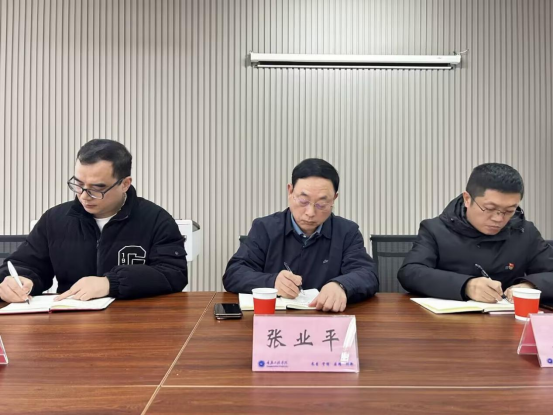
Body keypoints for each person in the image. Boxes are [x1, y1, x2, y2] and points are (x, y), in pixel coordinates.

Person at [0, 139, 188, 303]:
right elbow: (25, 265)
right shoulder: (54, 219)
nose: (84, 196)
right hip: (70, 321)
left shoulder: (155, 219)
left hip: (134, 321)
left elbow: (174, 274)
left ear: (125, 184)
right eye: (79, 184)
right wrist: (19, 281)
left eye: (97, 188)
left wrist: (111, 283)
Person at [223, 158, 378, 312]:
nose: (310, 213)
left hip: (325, 319)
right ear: (290, 191)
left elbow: (367, 274)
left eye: (321, 204)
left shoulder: (346, 232)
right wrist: (272, 282)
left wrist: (341, 285)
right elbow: (234, 273)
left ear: (334, 199)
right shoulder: (265, 228)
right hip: (275, 320)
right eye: (303, 201)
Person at [398, 163, 553, 303]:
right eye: (490, 208)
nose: (498, 218)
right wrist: (466, 285)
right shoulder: (436, 229)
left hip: (507, 320)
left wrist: (531, 286)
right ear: (467, 199)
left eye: (509, 210)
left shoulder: (525, 232)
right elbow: (410, 273)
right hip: (448, 320)